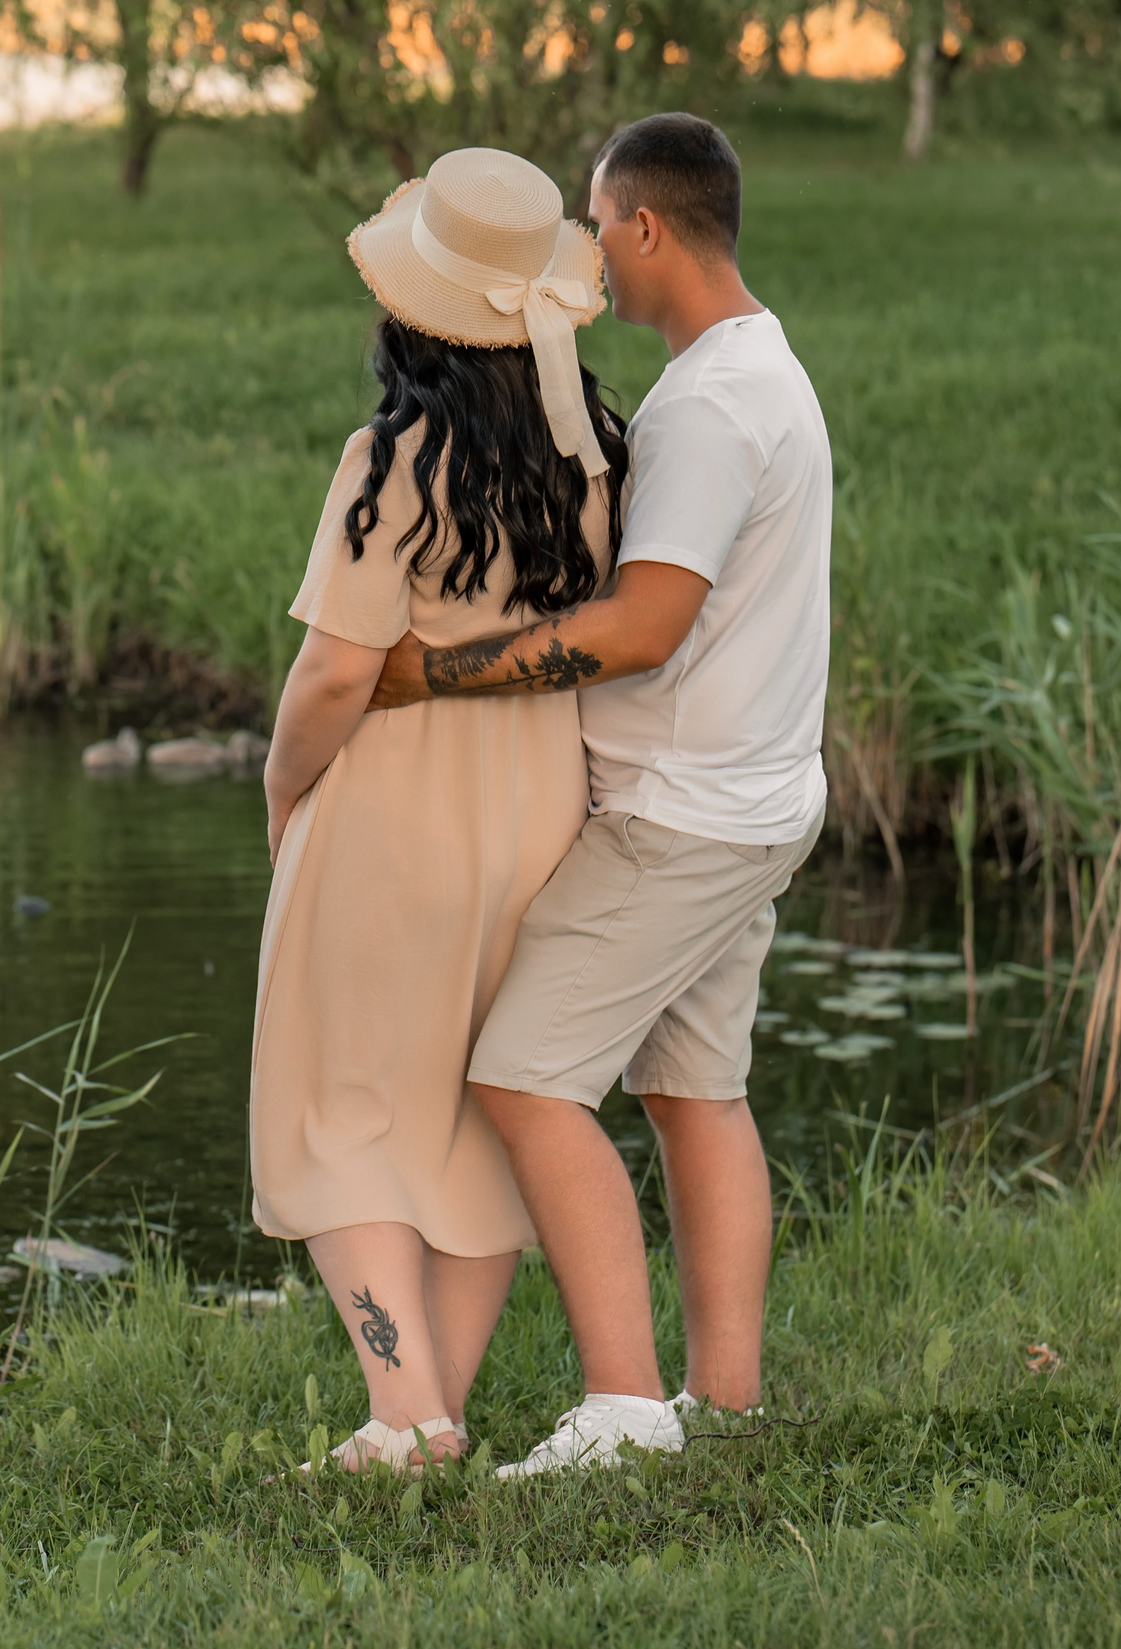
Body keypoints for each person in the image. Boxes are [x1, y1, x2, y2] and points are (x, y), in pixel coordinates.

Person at [366, 112, 833, 1478]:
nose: (588, 251)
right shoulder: (762, 364)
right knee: (697, 1092)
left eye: (595, 221)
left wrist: (432, 673)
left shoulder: (708, 409)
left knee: (522, 1078)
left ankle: (624, 1410)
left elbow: (643, 628)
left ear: (644, 225)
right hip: (754, 799)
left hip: (678, 818)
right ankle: (723, 1407)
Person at [250, 146, 630, 1472]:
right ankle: (425, 1412)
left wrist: (282, 787)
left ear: (413, 313)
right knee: (473, 1114)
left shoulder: (393, 460)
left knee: (338, 1111)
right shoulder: (596, 455)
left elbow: (335, 672)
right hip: (539, 815)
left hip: (395, 816)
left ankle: (409, 1414)